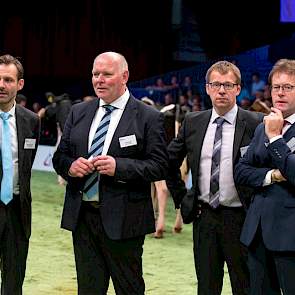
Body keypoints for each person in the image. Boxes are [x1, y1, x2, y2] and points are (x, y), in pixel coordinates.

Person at [52, 51, 168, 294]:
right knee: (89, 289)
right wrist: (71, 167)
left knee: (129, 289)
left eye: (107, 74)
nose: (99, 80)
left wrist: (120, 167)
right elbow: (59, 156)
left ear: (124, 76)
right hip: (82, 218)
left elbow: (159, 165)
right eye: (95, 74)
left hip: (125, 221)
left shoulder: (149, 117)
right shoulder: (78, 111)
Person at [166, 60, 264, 295]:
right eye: (216, 84)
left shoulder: (255, 124)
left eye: (228, 85)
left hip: (242, 219)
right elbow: (168, 162)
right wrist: (182, 198)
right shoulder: (192, 122)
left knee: (246, 286)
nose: (222, 90)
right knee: (207, 287)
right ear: (208, 88)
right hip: (204, 218)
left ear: (238, 89)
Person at [234, 59, 295, 294]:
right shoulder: (263, 125)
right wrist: (273, 174)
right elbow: (241, 170)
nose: (280, 93)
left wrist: (275, 138)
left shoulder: (268, 129)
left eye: (288, 87)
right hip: (257, 234)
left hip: (290, 237)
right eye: (275, 87)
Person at [0, 54, 40, 294]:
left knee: (14, 281)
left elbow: (27, 165)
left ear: (20, 84)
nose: (1, 85)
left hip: (18, 211)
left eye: (8, 79)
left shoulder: (32, 121)